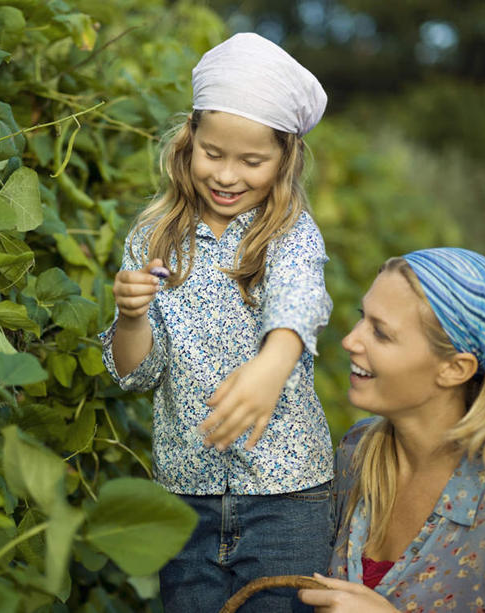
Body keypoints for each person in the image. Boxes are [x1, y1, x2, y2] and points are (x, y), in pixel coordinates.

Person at [99, 33, 334, 612]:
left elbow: (298, 301)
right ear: (189, 143)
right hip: (186, 495)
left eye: (252, 161)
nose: (227, 176)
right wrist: (131, 318)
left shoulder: (289, 234)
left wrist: (272, 365)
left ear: (286, 158)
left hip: (287, 498)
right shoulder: (153, 238)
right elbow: (136, 373)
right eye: (213, 153)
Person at [298, 248, 485, 612]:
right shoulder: (357, 452)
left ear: (454, 369)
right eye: (361, 318)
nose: (350, 340)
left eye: (380, 333)